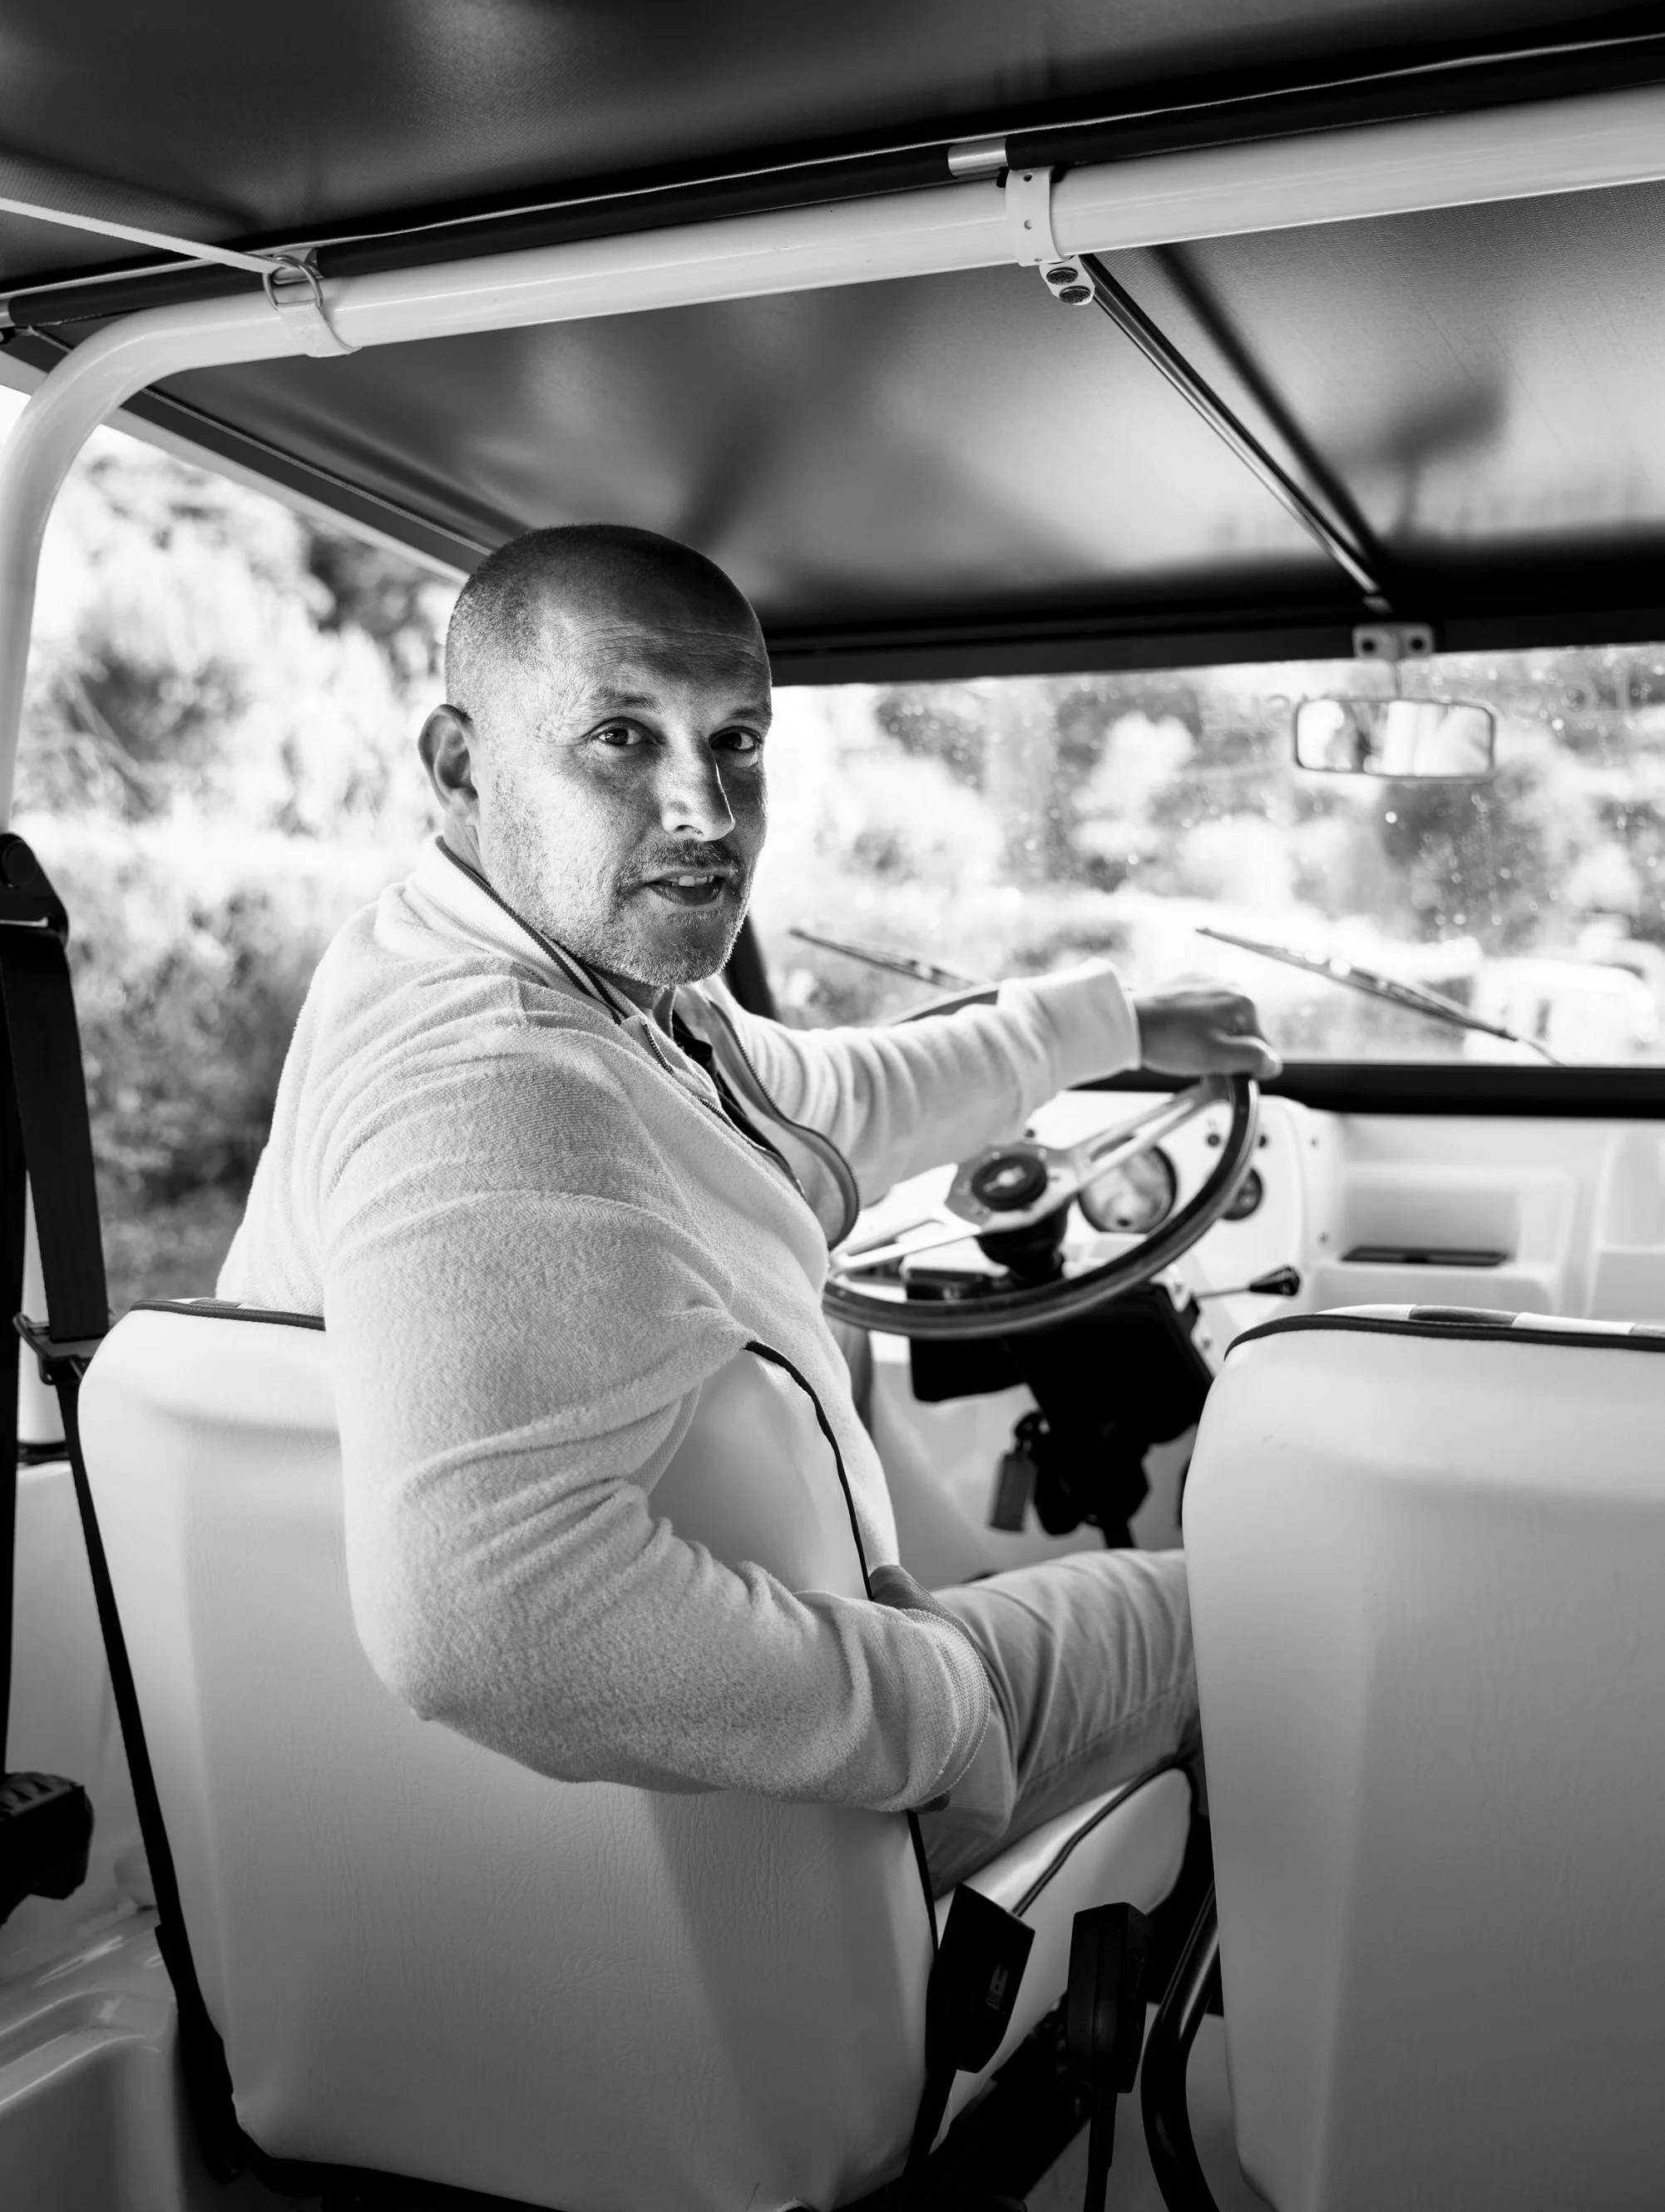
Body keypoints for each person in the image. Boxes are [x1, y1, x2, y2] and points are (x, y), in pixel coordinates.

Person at [219, 523, 1278, 1888]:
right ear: (461, 767)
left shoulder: (580, 989)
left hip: (549, 1827)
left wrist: (1107, 1019)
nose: (705, 813)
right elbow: (484, 1629)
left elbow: (826, 1101)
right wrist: (934, 1702)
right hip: (792, 1811)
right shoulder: (491, 1084)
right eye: (620, 737)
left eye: (736, 742)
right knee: (1269, 1614)